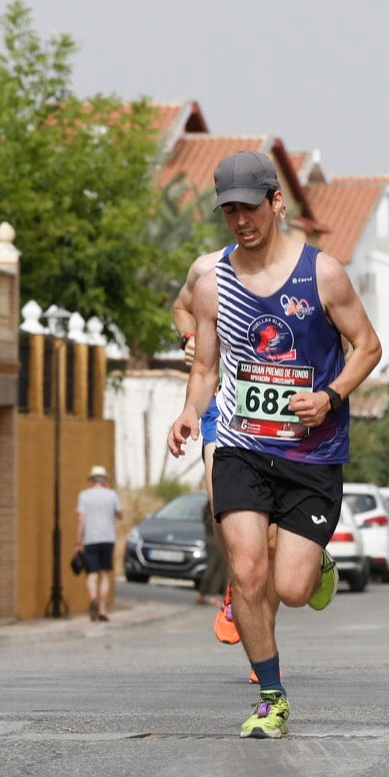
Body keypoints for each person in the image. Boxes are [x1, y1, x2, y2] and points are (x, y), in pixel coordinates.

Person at [168, 150, 382, 738]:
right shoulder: (214, 281)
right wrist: (190, 412)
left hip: (312, 452)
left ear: (276, 203)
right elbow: (207, 367)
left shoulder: (324, 274)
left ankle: (314, 562)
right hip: (241, 443)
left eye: (250, 207)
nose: (241, 220)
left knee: (289, 587)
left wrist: (332, 396)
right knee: (246, 570)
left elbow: (368, 346)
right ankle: (271, 696)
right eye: (229, 210)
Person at [173, 245, 248, 650]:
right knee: (224, 511)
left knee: (269, 545)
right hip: (222, 405)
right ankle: (237, 583)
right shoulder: (208, 268)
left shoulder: (303, 273)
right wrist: (189, 337)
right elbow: (182, 308)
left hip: (279, 419)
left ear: (276, 207)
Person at [74, 465, 123, 622]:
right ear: (105, 481)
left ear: (91, 481)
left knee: (92, 574)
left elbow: (81, 520)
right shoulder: (112, 495)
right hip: (108, 538)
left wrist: (77, 542)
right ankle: (102, 609)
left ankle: (93, 598)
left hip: (90, 539)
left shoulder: (84, 496)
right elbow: (120, 515)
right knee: (104, 574)